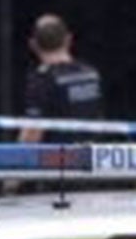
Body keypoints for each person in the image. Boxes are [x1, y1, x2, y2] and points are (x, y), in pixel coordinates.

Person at [18, 13, 104, 142]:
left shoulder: (42, 80)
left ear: (33, 45)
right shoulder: (91, 73)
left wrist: (14, 157)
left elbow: (32, 134)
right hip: (92, 155)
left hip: (58, 158)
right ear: (68, 39)